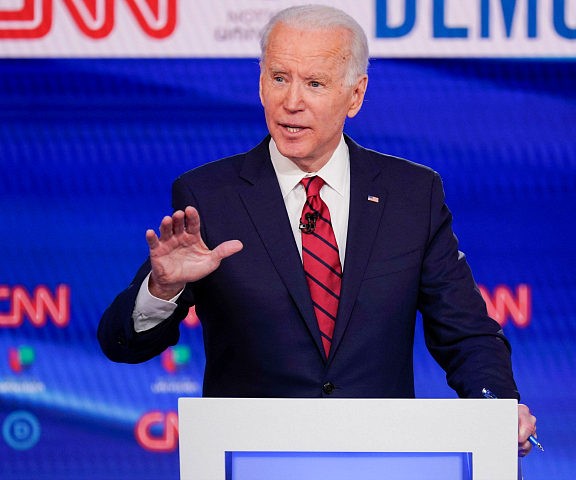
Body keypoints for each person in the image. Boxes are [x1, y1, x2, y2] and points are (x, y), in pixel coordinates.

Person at [98, 4, 538, 456]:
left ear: (355, 95)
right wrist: (163, 288)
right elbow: (122, 345)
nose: (292, 102)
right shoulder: (211, 196)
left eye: (314, 83)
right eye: (279, 78)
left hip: (380, 459)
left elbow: (464, 332)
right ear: (261, 85)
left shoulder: (411, 195)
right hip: (253, 459)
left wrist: (497, 410)